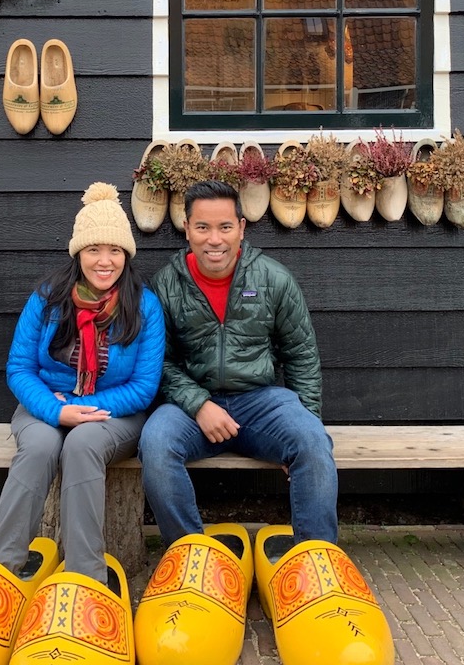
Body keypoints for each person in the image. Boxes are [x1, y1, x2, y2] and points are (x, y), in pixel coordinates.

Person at [0, 182, 166, 583]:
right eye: (94, 249)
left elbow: (144, 386)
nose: (104, 260)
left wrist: (88, 409)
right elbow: (19, 368)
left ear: (126, 255)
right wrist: (57, 410)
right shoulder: (48, 298)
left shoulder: (145, 305)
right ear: (78, 252)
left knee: (83, 445)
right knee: (40, 447)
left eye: (114, 250)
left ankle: (86, 578)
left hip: (116, 412)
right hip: (46, 404)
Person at [139, 178, 336, 546]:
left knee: (311, 439)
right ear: (187, 230)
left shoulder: (273, 279)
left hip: (260, 401)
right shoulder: (165, 285)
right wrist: (199, 405)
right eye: (203, 227)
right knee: (155, 442)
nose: (214, 239)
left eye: (225, 227)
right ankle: (189, 554)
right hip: (191, 407)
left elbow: (301, 356)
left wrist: (303, 424)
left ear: (241, 228)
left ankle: (317, 556)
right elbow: (156, 363)